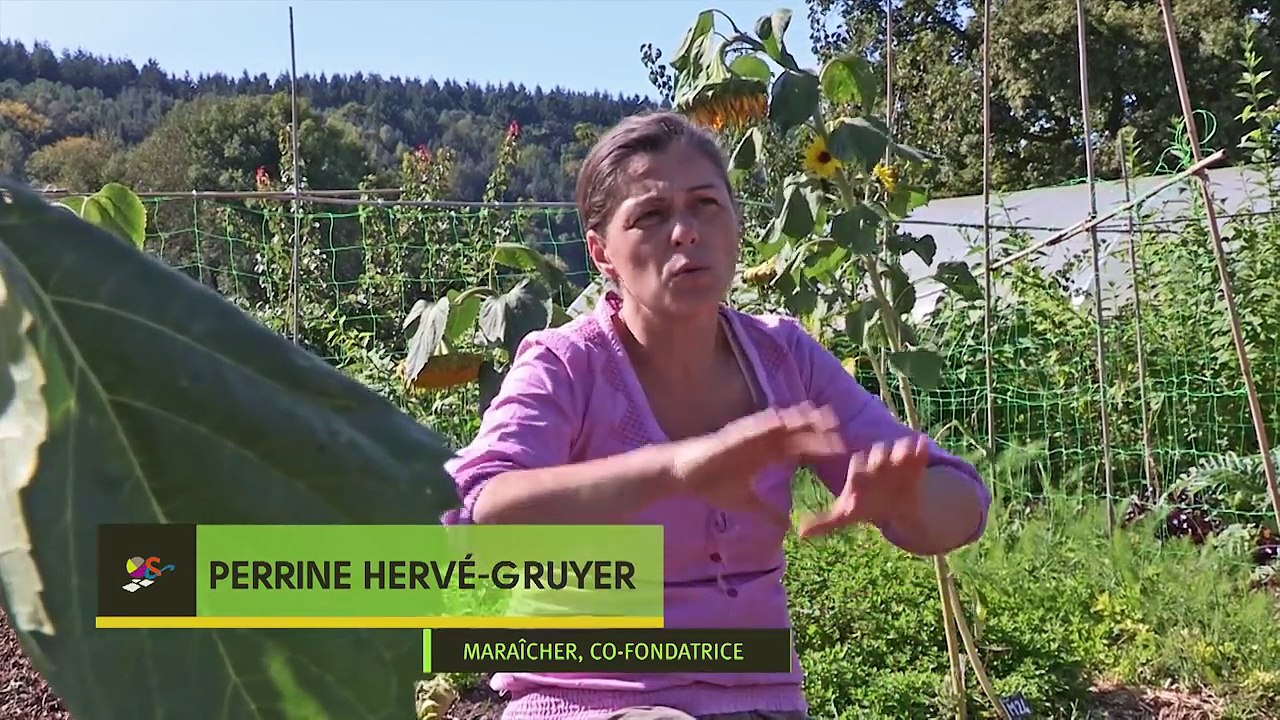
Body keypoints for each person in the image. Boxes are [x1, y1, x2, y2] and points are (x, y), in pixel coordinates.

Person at [441, 111, 991, 720]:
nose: (685, 231)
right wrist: (671, 469)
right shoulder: (565, 367)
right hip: (586, 700)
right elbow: (474, 511)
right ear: (602, 252)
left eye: (706, 205)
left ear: (735, 225)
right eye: (650, 216)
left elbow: (961, 506)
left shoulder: (785, 360)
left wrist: (906, 500)